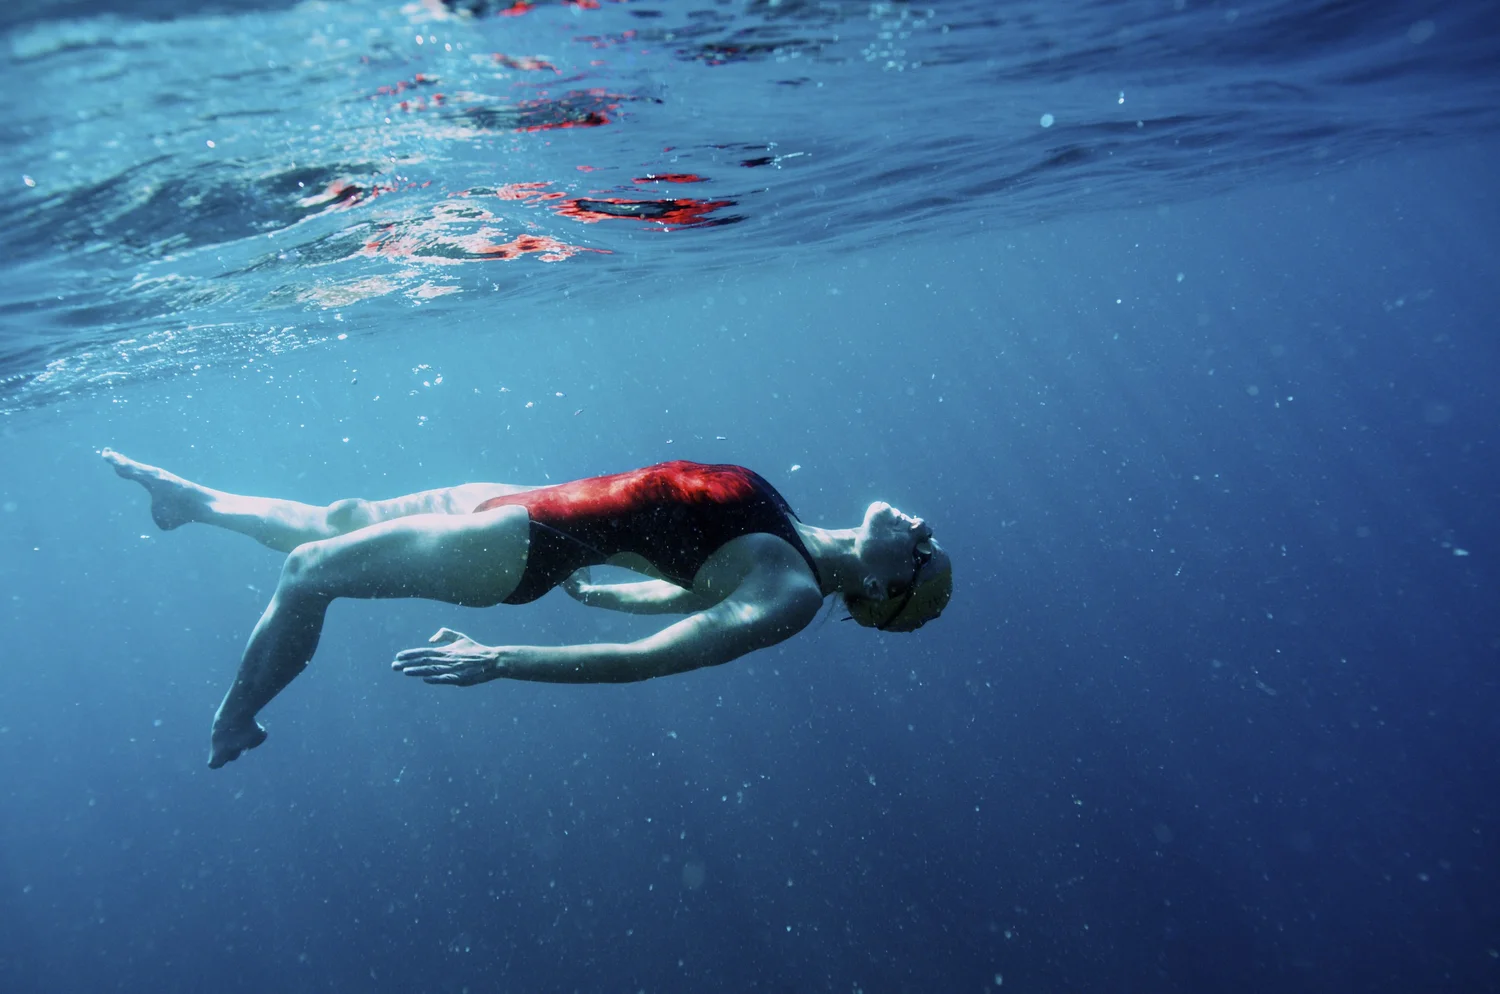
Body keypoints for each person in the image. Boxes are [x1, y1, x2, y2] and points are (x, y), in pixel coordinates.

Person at [103, 449, 953, 769]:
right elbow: (689, 586)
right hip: (523, 506)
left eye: (921, 552)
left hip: (513, 550)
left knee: (307, 571)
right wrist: (602, 590)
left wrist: (504, 659)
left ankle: (234, 721)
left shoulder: (794, 594)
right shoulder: (790, 533)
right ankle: (194, 503)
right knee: (340, 521)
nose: (918, 524)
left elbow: (659, 654)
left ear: (881, 591)